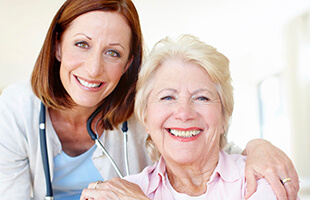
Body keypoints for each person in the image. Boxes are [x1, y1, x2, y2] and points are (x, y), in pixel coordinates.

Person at [0, 0, 298, 199]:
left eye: (113, 53)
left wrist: (258, 147)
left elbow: (199, 141)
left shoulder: (144, 107)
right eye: (82, 44)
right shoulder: (14, 112)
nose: (94, 68)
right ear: (57, 45)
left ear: (128, 63)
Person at [80, 35, 299, 200]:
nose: (184, 113)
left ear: (224, 117)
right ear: (146, 119)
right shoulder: (124, 192)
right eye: (167, 97)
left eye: (202, 98)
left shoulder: (261, 178)